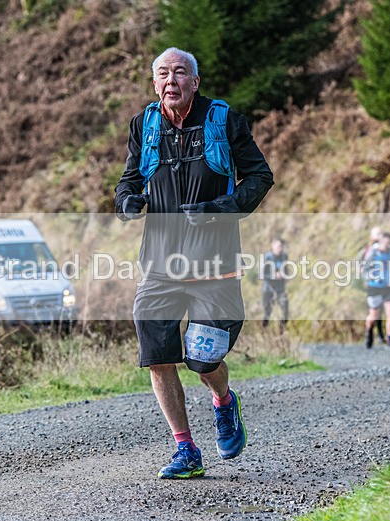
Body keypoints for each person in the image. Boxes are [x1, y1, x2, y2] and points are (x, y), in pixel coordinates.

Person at [114, 47, 274, 479]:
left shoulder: (224, 122)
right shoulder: (144, 126)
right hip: (159, 266)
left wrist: (223, 207)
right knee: (158, 357)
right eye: (163, 74)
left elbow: (260, 176)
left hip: (214, 266)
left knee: (202, 358)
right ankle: (186, 449)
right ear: (155, 84)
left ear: (195, 82)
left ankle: (223, 401)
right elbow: (129, 178)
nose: (172, 81)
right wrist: (127, 201)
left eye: (180, 73)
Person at [363, 232, 390, 350]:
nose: (388, 245)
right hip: (375, 287)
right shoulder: (373, 253)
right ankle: (369, 331)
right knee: (373, 316)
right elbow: (365, 270)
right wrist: (372, 278)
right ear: (381, 242)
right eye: (386, 242)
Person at [357, 226, 386, 346]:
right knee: (374, 313)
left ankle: (380, 335)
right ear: (372, 237)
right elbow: (362, 268)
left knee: (381, 311)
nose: (380, 236)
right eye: (377, 234)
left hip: (385, 285)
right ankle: (368, 334)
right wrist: (371, 279)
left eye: (381, 234)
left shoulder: (385, 249)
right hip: (373, 285)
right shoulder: (369, 251)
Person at [261, 238, 289, 332]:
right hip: (268, 287)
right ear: (272, 247)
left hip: (280, 288)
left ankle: (282, 330)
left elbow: (286, 271)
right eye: (278, 247)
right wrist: (274, 276)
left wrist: (284, 275)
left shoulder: (284, 256)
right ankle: (264, 331)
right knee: (267, 312)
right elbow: (262, 274)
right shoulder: (267, 257)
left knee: (285, 308)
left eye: (281, 247)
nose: (279, 249)